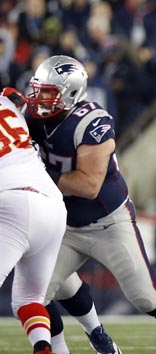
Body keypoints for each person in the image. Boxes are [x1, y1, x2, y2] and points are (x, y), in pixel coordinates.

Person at [23, 55, 156, 354]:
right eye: (38, 90)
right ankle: (86, 338)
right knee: (34, 293)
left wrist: (36, 173)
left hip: (108, 222)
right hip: (64, 223)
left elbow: (88, 186)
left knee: (146, 298)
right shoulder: (31, 115)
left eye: (49, 93)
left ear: (72, 93)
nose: (39, 99)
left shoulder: (93, 122)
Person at [0, 88, 67, 354]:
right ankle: (43, 348)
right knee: (28, 300)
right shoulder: (7, 100)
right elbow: (16, 97)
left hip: (15, 202)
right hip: (52, 204)